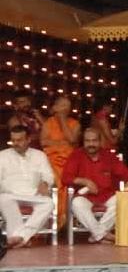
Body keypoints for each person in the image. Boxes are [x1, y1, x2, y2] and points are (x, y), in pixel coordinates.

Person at [62, 128, 128, 244]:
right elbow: (65, 178)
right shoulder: (76, 155)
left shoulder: (109, 156)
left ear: (100, 142)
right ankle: (102, 235)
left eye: (94, 141)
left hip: (107, 195)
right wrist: (85, 181)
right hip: (85, 197)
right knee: (76, 204)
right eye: (87, 141)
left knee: (122, 200)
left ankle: (97, 235)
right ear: (83, 142)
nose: (91, 144)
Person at [0, 125, 55, 248]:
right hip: (10, 195)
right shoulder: (2, 156)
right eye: (13, 140)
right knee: (3, 199)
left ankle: (20, 236)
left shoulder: (39, 155)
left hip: (33, 194)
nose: (15, 143)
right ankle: (22, 238)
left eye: (19, 140)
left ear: (28, 139)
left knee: (49, 203)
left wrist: (45, 183)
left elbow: (49, 175)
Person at [40, 95, 79, 225]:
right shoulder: (48, 123)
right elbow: (43, 142)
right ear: (55, 108)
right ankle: (55, 219)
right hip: (52, 162)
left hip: (69, 162)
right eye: (62, 105)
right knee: (55, 181)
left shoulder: (75, 124)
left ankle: (64, 219)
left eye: (68, 106)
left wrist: (63, 121)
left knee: (66, 180)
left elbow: (72, 140)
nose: (66, 108)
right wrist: (62, 144)